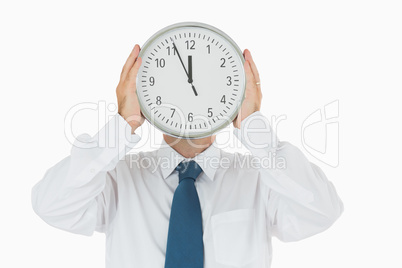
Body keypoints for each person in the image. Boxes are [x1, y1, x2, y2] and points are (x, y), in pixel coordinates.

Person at [31, 44, 343, 268]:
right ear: (145, 97)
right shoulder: (116, 180)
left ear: (234, 96)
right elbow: (50, 205)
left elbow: (323, 211)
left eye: (211, 88)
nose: (191, 98)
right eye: (172, 89)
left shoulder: (260, 180)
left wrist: (254, 128)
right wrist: (122, 127)